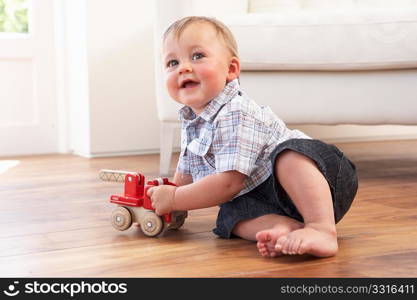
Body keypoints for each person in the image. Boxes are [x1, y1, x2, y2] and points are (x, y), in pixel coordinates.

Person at [147, 16, 358, 258]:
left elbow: (228, 183)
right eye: (172, 62)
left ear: (231, 69)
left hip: (321, 179)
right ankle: (286, 229)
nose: (183, 67)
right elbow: (186, 174)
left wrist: (175, 199)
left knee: (288, 156)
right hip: (265, 196)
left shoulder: (235, 111)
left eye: (197, 56)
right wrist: (168, 202)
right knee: (230, 217)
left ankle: (321, 228)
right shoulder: (190, 118)